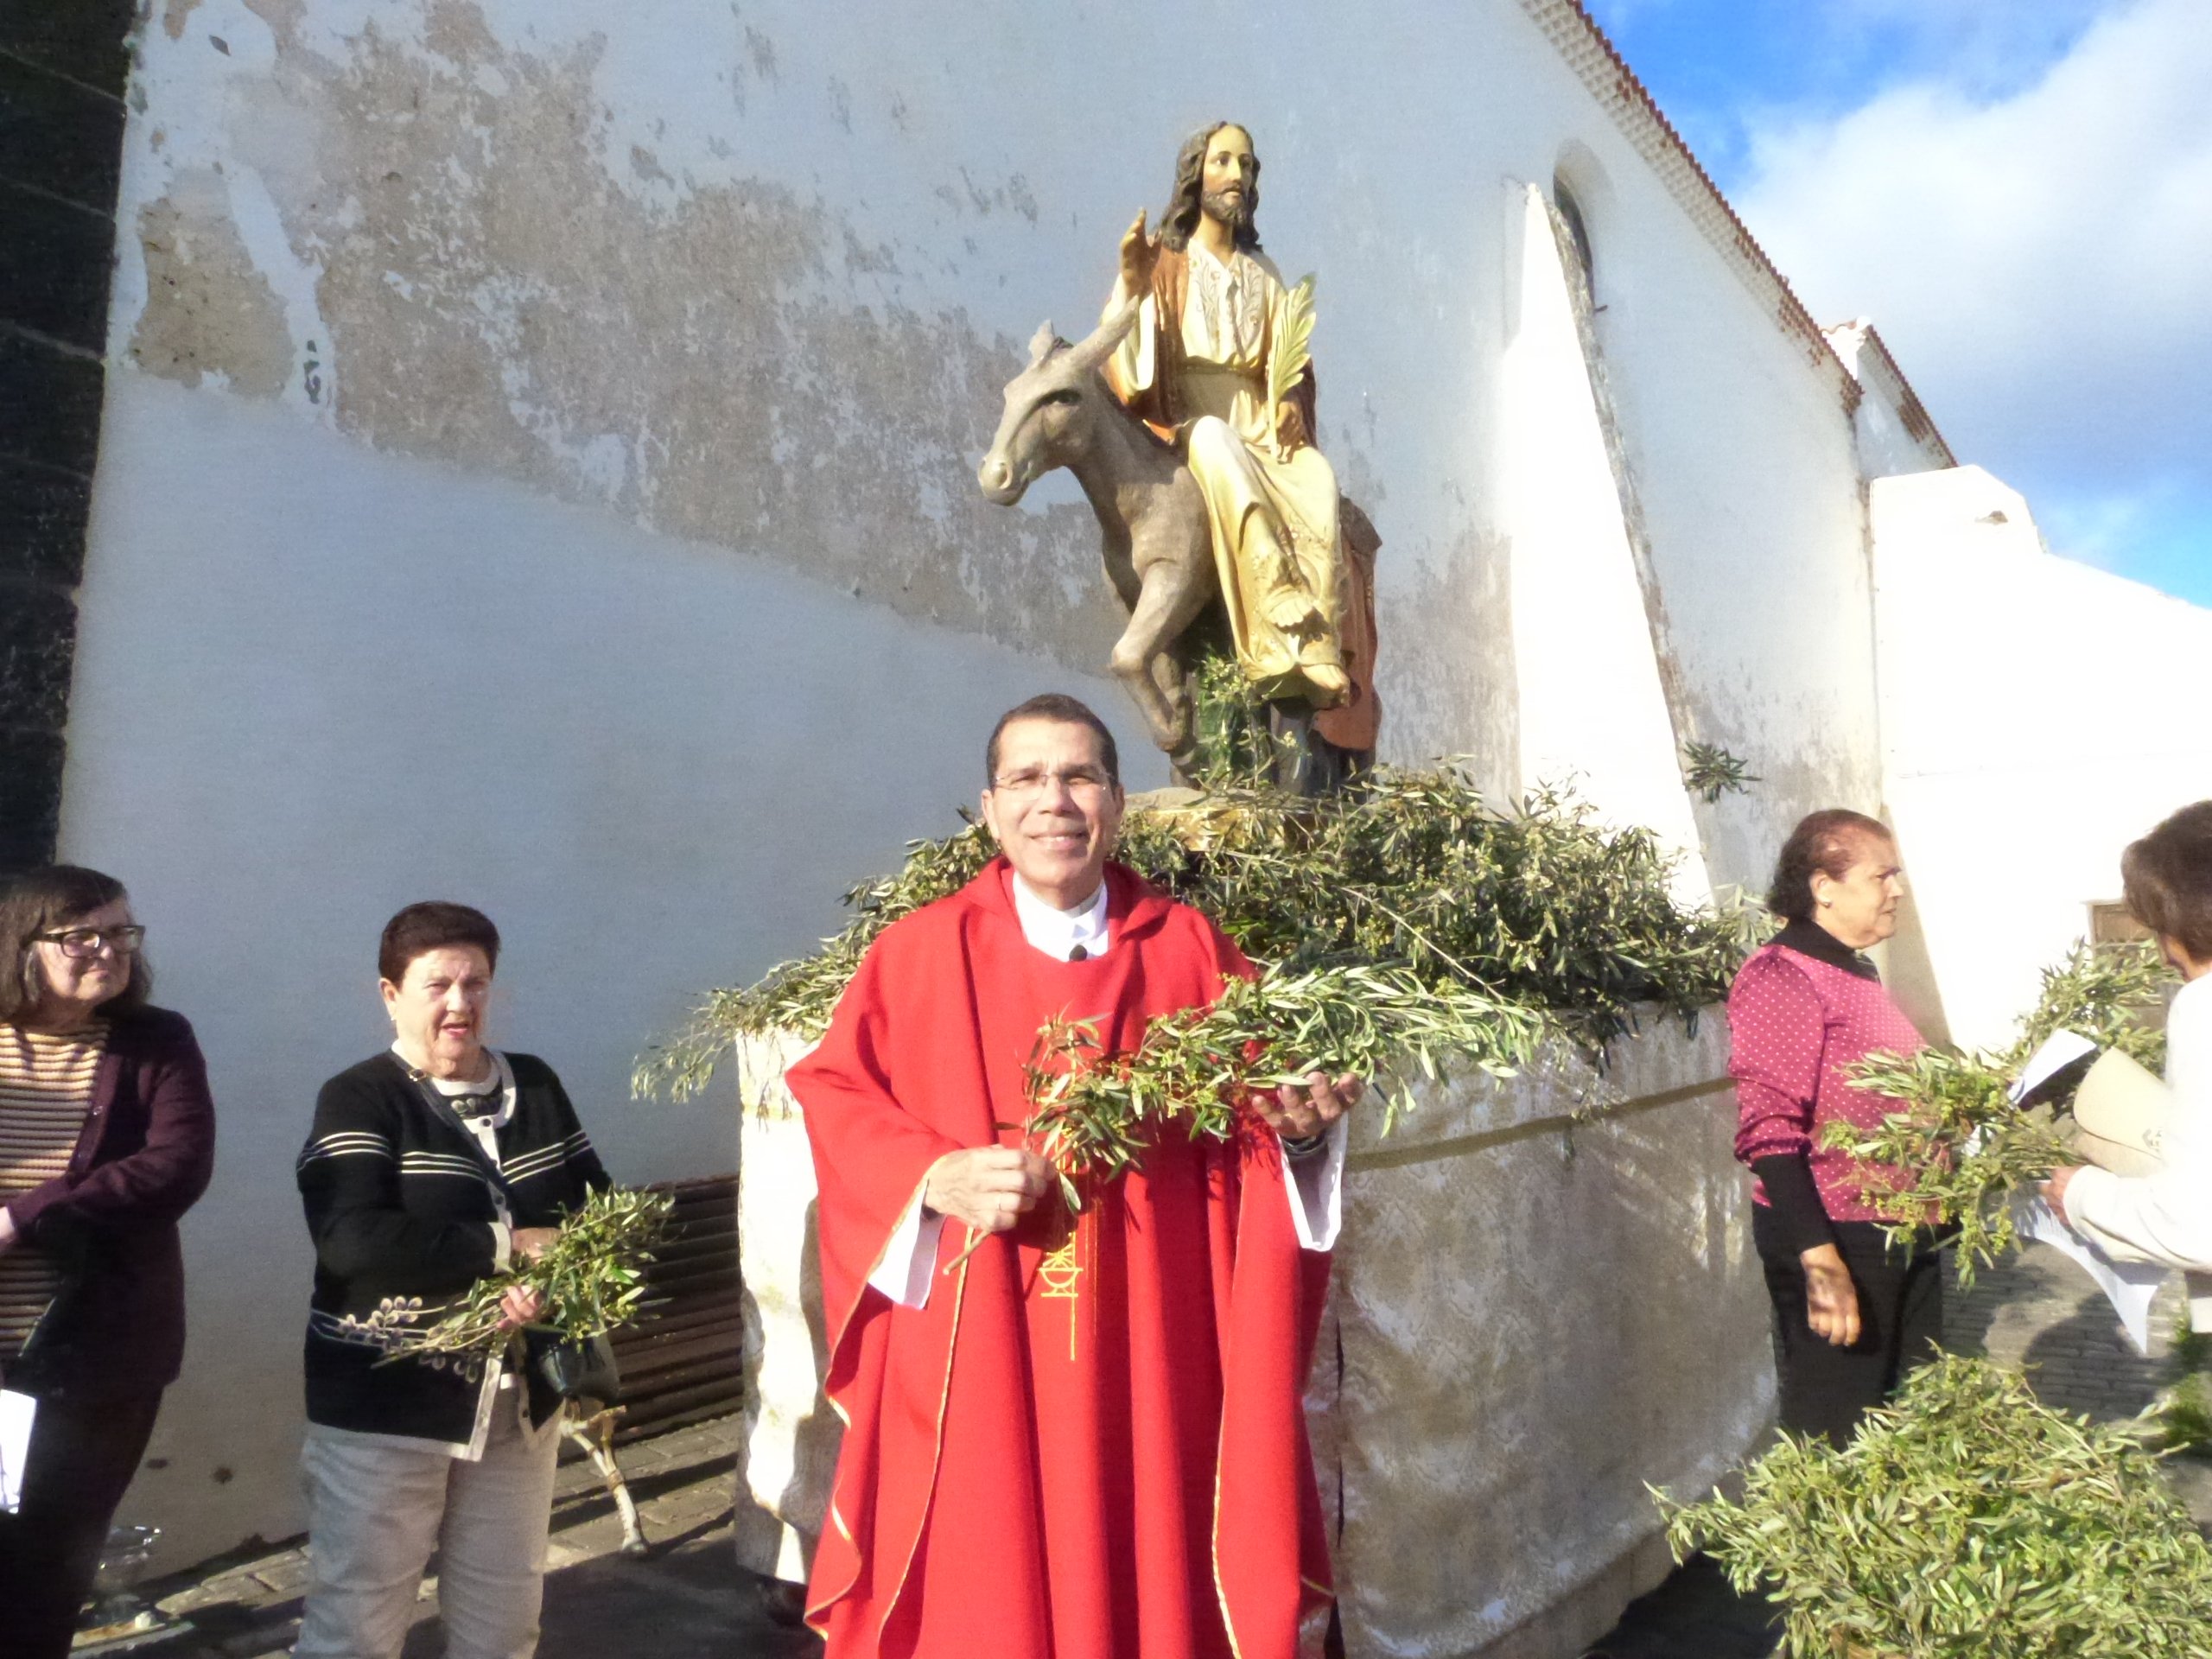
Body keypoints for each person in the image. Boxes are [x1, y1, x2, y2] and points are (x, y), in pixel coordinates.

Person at [789, 693, 1360, 1659]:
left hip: (1152, 1346)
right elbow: (835, 1093)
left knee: (1154, 1569)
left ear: (1117, 803)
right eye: (1026, 778)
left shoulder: (1192, 952)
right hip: (978, 1349)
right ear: (987, 808)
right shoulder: (919, 954)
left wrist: (1301, 1137)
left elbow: (1268, 1122)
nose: (1052, 801)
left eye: (1078, 776)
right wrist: (931, 1176)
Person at [292, 902, 608, 1659]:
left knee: (503, 1613)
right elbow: (350, 1240)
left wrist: (559, 1279)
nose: (460, 1004)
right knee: (359, 1618)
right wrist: (507, 1246)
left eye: (476, 983)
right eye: (437, 985)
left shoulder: (533, 1083)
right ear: (390, 993)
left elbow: (595, 1203)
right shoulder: (360, 1096)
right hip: (388, 1397)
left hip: (519, 1401)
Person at [0, 864, 216, 1659]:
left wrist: (22, 1218)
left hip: (92, 1366)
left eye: (121, 931)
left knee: (45, 1576)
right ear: (23, 946)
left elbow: (176, 1165)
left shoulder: (157, 1042)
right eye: (81, 935)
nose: (108, 949)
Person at [1105, 121, 1359, 713]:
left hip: (1261, 419)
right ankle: (1274, 602)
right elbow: (1126, 355)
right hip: (1191, 418)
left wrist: (1291, 401)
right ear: (1196, 175)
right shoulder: (1167, 259)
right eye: (1223, 162)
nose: (1237, 177)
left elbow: (1292, 361)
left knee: (1317, 479)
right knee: (1217, 442)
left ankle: (1314, 645)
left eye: (1246, 165)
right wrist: (1132, 283)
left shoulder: (1263, 272)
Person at [1729, 810, 1942, 1446]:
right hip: (1842, 1240)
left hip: (1904, 1231)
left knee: (1905, 1427)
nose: (1897, 890)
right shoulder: (1782, 975)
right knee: (1834, 1432)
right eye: (1884, 876)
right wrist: (1821, 1261)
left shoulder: (1855, 972)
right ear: (1824, 887)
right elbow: (1770, 1132)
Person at [2044, 803, 2212, 1281]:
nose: (2163, 953)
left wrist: (2079, 1195)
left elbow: (2198, 1223)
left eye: (2161, 927)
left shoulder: (2205, 1006)